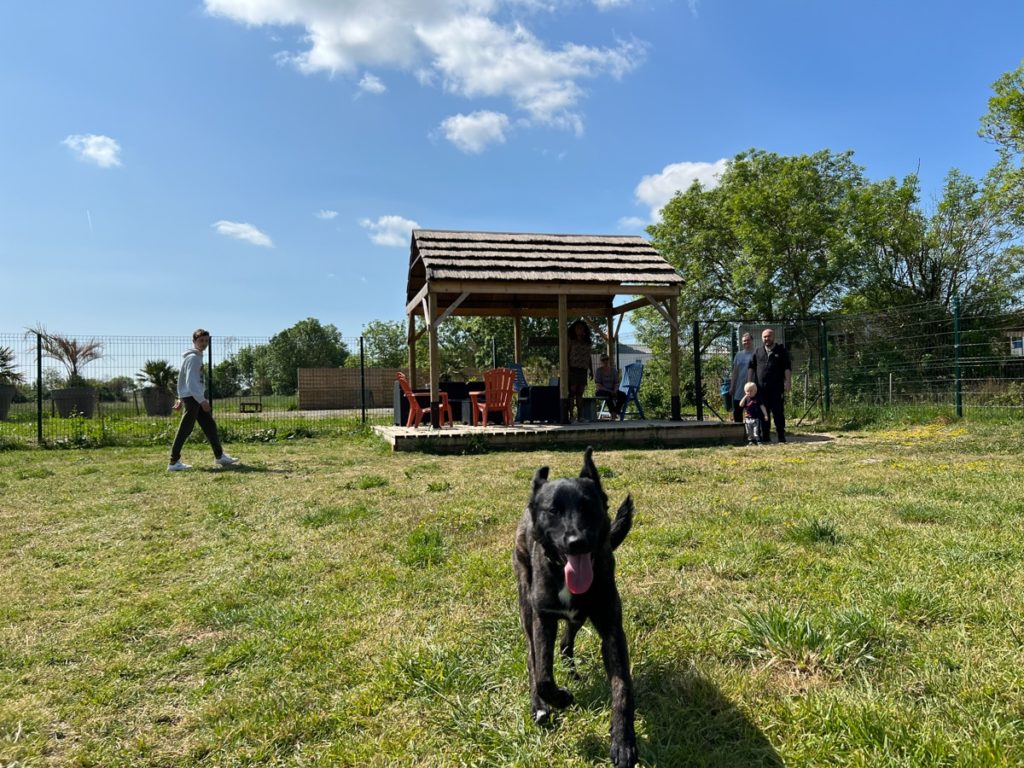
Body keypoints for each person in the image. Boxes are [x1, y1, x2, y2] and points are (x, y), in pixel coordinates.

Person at [168, 328, 239, 471]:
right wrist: (202, 400)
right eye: (201, 341)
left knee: (210, 426)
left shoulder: (196, 357)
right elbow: (191, 383)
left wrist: (181, 397)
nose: (204, 343)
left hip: (193, 397)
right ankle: (173, 462)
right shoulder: (194, 358)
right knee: (185, 429)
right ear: (194, 341)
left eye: (206, 341)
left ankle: (220, 457)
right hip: (194, 399)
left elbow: (183, 380)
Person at [748, 327, 792, 443]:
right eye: (764, 337)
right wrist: (749, 383)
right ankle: (766, 436)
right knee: (763, 413)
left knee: (778, 412)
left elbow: (787, 368)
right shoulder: (758, 352)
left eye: (769, 336)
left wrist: (788, 382)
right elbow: (751, 367)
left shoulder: (781, 351)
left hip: (776, 389)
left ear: (773, 337)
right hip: (761, 389)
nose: (766, 339)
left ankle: (781, 435)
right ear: (762, 338)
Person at [567, 320, 593, 422]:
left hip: (583, 369)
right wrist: (567, 368)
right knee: (572, 392)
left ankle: (580, 416)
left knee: (580, 393)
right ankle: (571, 416)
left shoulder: (587, 343)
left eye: (581, 328)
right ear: (574, 329)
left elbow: (589, 356)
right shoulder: (571, 341)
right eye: (577, 328)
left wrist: (591, 370)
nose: (579, 330)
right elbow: (567, 354)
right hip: (573, 368)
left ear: (584, 330)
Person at [729, 332, 755, 423]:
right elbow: (735, 372)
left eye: (748, 340)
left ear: (752, 341)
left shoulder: (756, 353)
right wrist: (732, 386)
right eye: (744, 341)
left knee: (752, 412)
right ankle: (738, 431)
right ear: (741, 342)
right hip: (739, 388)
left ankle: (753, 433)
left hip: (752, 388)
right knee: (737, 411)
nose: (746, 342)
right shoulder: (738, 355)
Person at [594, 353, 627, 418]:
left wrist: (615, 390)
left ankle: (616, 411)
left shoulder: (614, 370)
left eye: (606, 359)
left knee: (623, 395)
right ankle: (612, 413)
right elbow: (598, 385)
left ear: (609, 360)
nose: (605, 361)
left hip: (613, 390)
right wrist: (610, 391)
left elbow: (616, 383)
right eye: (603, 360)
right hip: (602, 391)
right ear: (601, 361)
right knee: (608, 395)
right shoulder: (599, 371)